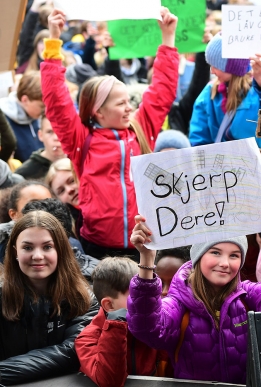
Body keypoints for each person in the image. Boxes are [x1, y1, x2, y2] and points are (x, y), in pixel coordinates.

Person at [41, 8, 179, 259]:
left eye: (129, 101)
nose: (130, 108)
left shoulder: (140, 129)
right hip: (98, 249)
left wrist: (168, 38)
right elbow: (56, 100)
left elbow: (162, 92)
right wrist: (53, 41)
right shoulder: (81, 140)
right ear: (98, 112)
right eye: (121, 104)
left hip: (143, 245)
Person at [126, 202, 261, 384]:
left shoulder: (247, 296)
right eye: (216, 253)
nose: (225, 263)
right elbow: (147, 327)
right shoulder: (179, 303)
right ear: (198, 257)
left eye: (234, 255)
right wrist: (146, 258)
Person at [0, 211, 98, 385]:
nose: (37, 256)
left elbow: (73, 352)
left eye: (47, 247)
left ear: (60, 250)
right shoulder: (2, 295)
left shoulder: (83, 298)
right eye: (28, 247)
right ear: (15, 251)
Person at [75, 257, 168, 387]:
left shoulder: (154, 325)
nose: (144, 301)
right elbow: (110, 381)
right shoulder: (87, 339)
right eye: (135, 297)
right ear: (109, 305)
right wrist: (115, 325)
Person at [189, 33, 261, 148]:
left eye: (215, 66)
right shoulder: (210, 92)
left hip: (260, 162)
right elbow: (199, 135)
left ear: (231, 67)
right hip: (221, 163)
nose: (211, 71)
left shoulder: (258, 89)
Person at [0, 71, 44, 162]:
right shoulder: (4, 119)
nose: (46, 110)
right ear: (25, 100)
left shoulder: (36, 115)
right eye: (42, 106)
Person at [15, 114, 65, 179]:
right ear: (40, 135)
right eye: (49, 132)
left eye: (61, 131)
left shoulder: (79, 161)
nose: (56, 137)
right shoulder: (24, 173)